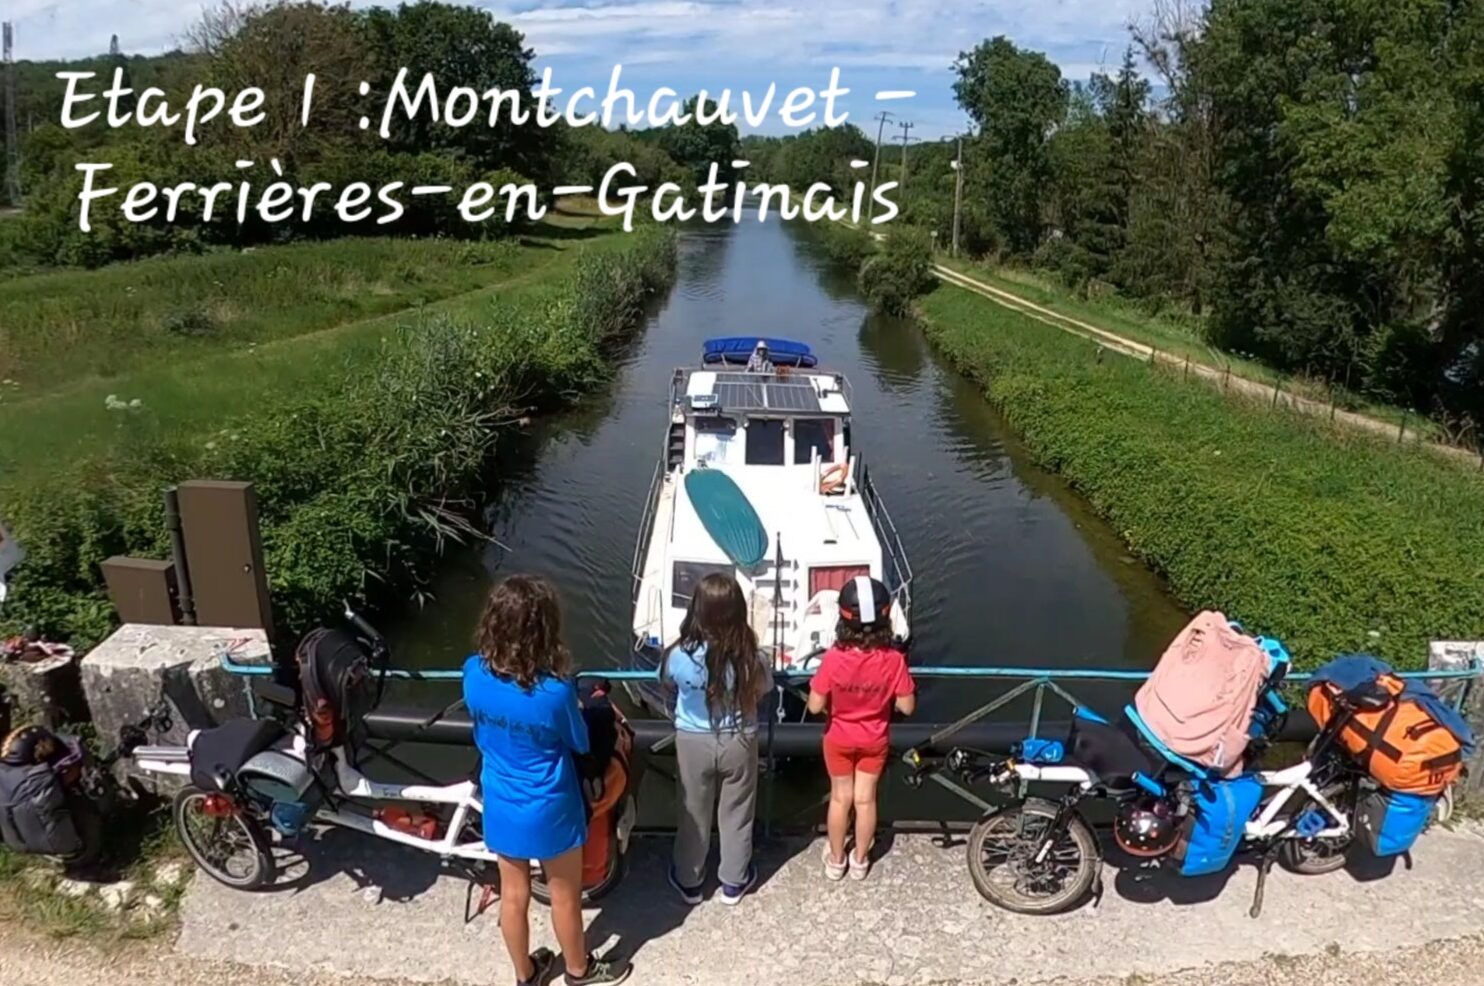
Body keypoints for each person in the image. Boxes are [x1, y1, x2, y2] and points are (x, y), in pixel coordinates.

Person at [462, 575, 631, 986]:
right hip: (550, 804)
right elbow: (578, 741)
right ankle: (579, 970)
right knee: (564, 896)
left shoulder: (473, 673)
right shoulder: (553, 691)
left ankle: (526, 974)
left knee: (513, 894)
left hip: (500, 797)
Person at [662, 574, 772, 905]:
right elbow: (763, 688)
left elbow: (667, 682)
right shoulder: (752, 657)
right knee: (737, 812)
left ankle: (689, 880)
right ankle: (734, 881)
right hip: (738, 739)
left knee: (692, 813)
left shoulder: (678, 655)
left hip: (692, 740)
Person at [806, 576, 915, 881]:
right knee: (865, 800)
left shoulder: (833, 658)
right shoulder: (894, 660)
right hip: (874, 738)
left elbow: (814, 705)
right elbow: (907, 706)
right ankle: (860, 860)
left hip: (838, 737)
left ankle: (836, 860)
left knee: (840, 798)